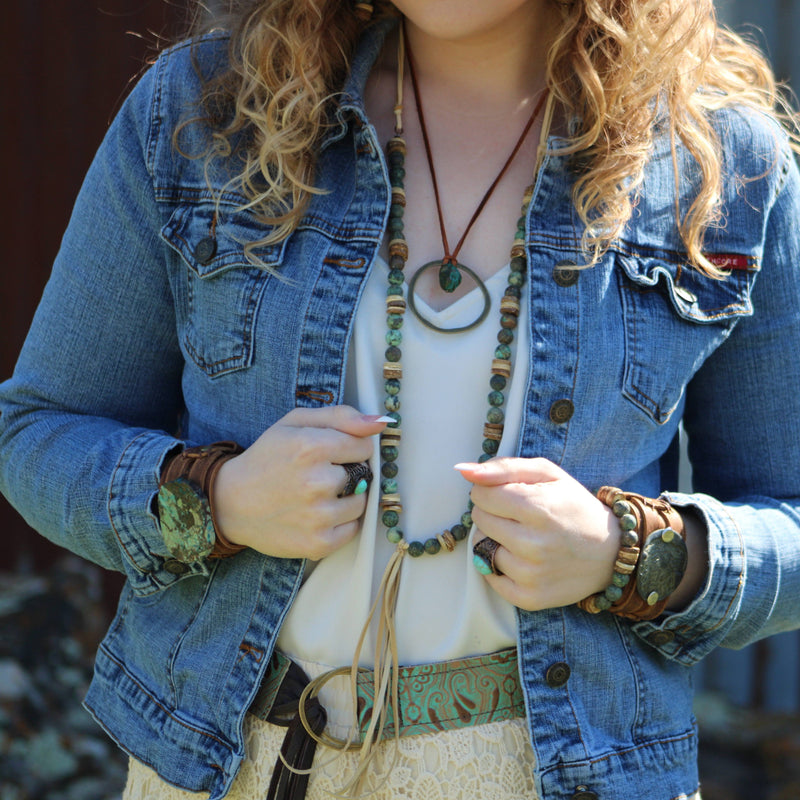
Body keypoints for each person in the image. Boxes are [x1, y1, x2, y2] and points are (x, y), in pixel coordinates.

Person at [1, 0, 799, 798]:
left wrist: (629, 553)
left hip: (560, 775)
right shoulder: (204, 109)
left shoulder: (721, 160)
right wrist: (217, 501)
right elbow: (36, 431)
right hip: (239, 765)